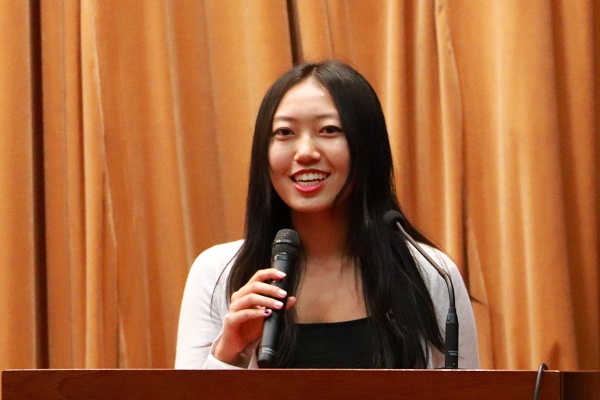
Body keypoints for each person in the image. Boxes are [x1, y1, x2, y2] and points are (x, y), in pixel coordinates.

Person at [175, 60, 479, 369]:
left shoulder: (431, 274)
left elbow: (467, 389)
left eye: (329, 130)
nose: (306, 152)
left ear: (367, 144)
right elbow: (185, 392)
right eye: (285, 132)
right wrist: (228, 354)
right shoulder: (217, 274)